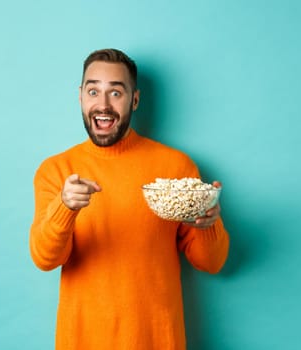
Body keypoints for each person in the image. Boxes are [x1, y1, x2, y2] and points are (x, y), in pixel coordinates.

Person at [29, 48, 230, 350]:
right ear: (80, 96)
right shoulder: (56, 171)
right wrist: (65, 207)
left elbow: (211, 263)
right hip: (83, 341)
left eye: (116, 93)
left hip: (158, 340)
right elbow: (45, 259)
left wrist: (207, 222)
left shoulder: (176, 167)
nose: (103, 105)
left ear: (134, 100)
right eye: (93, 91)